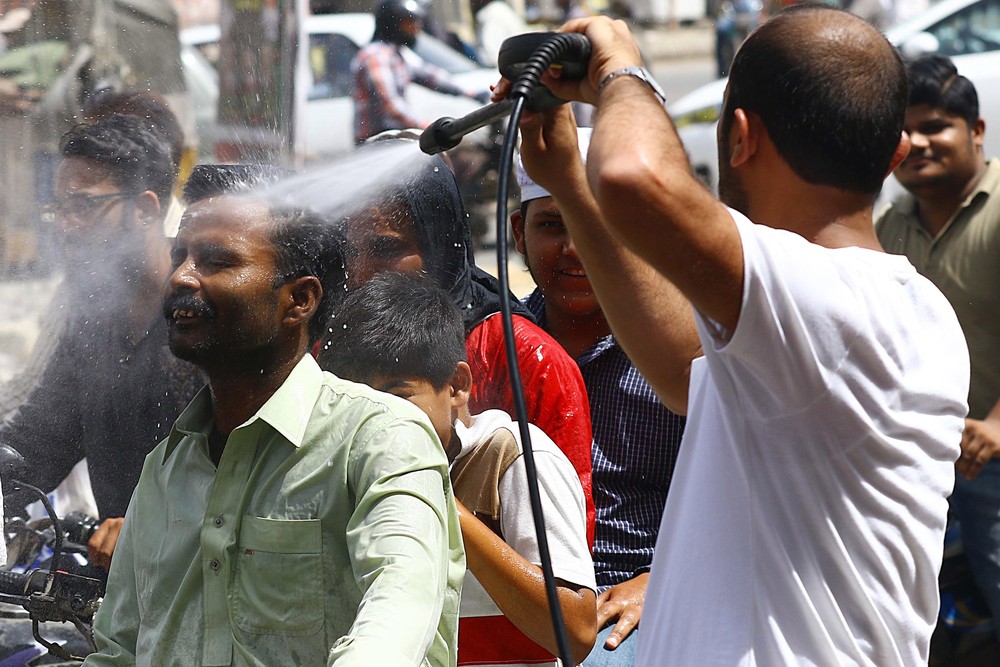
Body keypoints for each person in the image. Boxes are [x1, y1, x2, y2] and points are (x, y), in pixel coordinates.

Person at [507, 6, 970, 665]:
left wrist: (622, 68)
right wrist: (570, 191)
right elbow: (677, 368)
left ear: (740, 139)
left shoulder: (829, 300)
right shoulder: (884, 311)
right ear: (895, 154)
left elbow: (635, 174)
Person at [84, 164, 464, 666]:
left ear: (299, 300)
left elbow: (400, 613)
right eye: (181, 255)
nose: (181, 276)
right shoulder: (166, 467)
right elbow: (118, 650)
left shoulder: (379, 439)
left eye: (217, 261)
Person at [319, 272, 597, 666]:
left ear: (456, 386)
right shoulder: (346, 464)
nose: (377, 419)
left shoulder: (511, 458)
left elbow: (576, 632)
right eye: (358, 401)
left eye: (397, 396)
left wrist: (443, 506)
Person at [343, 148, 596, 543]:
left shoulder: (524, 357)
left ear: (439, 247)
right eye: (351, 252)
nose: (360, 272)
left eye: (387, 250)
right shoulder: (333, 342)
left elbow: (567, 553)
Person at [511, 127, 692, 666]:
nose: (573, 248)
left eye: (597, 224)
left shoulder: (679, 355)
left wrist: (659, 582)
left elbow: (748, 501)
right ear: (519, 233)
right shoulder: (497, 344)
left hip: (640, 606)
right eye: (551, 224)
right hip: (524, 603)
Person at [0, 114, 202, 569]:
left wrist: (150, 524)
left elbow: (239, 466)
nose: (65, 226)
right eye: (59, 209)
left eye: (84, 207)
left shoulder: (198, 307)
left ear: (146, 209)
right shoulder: (94, 311)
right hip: (117, 584)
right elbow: (43, 437)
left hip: (203, 574)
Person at [876, 54, 1000, 638]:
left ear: (976, 131)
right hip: (923, 461)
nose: (918, 143)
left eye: (936, 127)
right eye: (907, 131)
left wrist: (997, 423)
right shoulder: (888, 228)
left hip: (990, 460)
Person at [351, 0, 488, 144]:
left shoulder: (397, 54)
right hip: (376, 142)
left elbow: (431, 77)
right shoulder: (375, 56)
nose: (416, 29)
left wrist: (472, 93)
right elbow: (390, 104)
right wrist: (425, 125)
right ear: (393, 25)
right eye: (409, 24)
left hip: (393, 137)